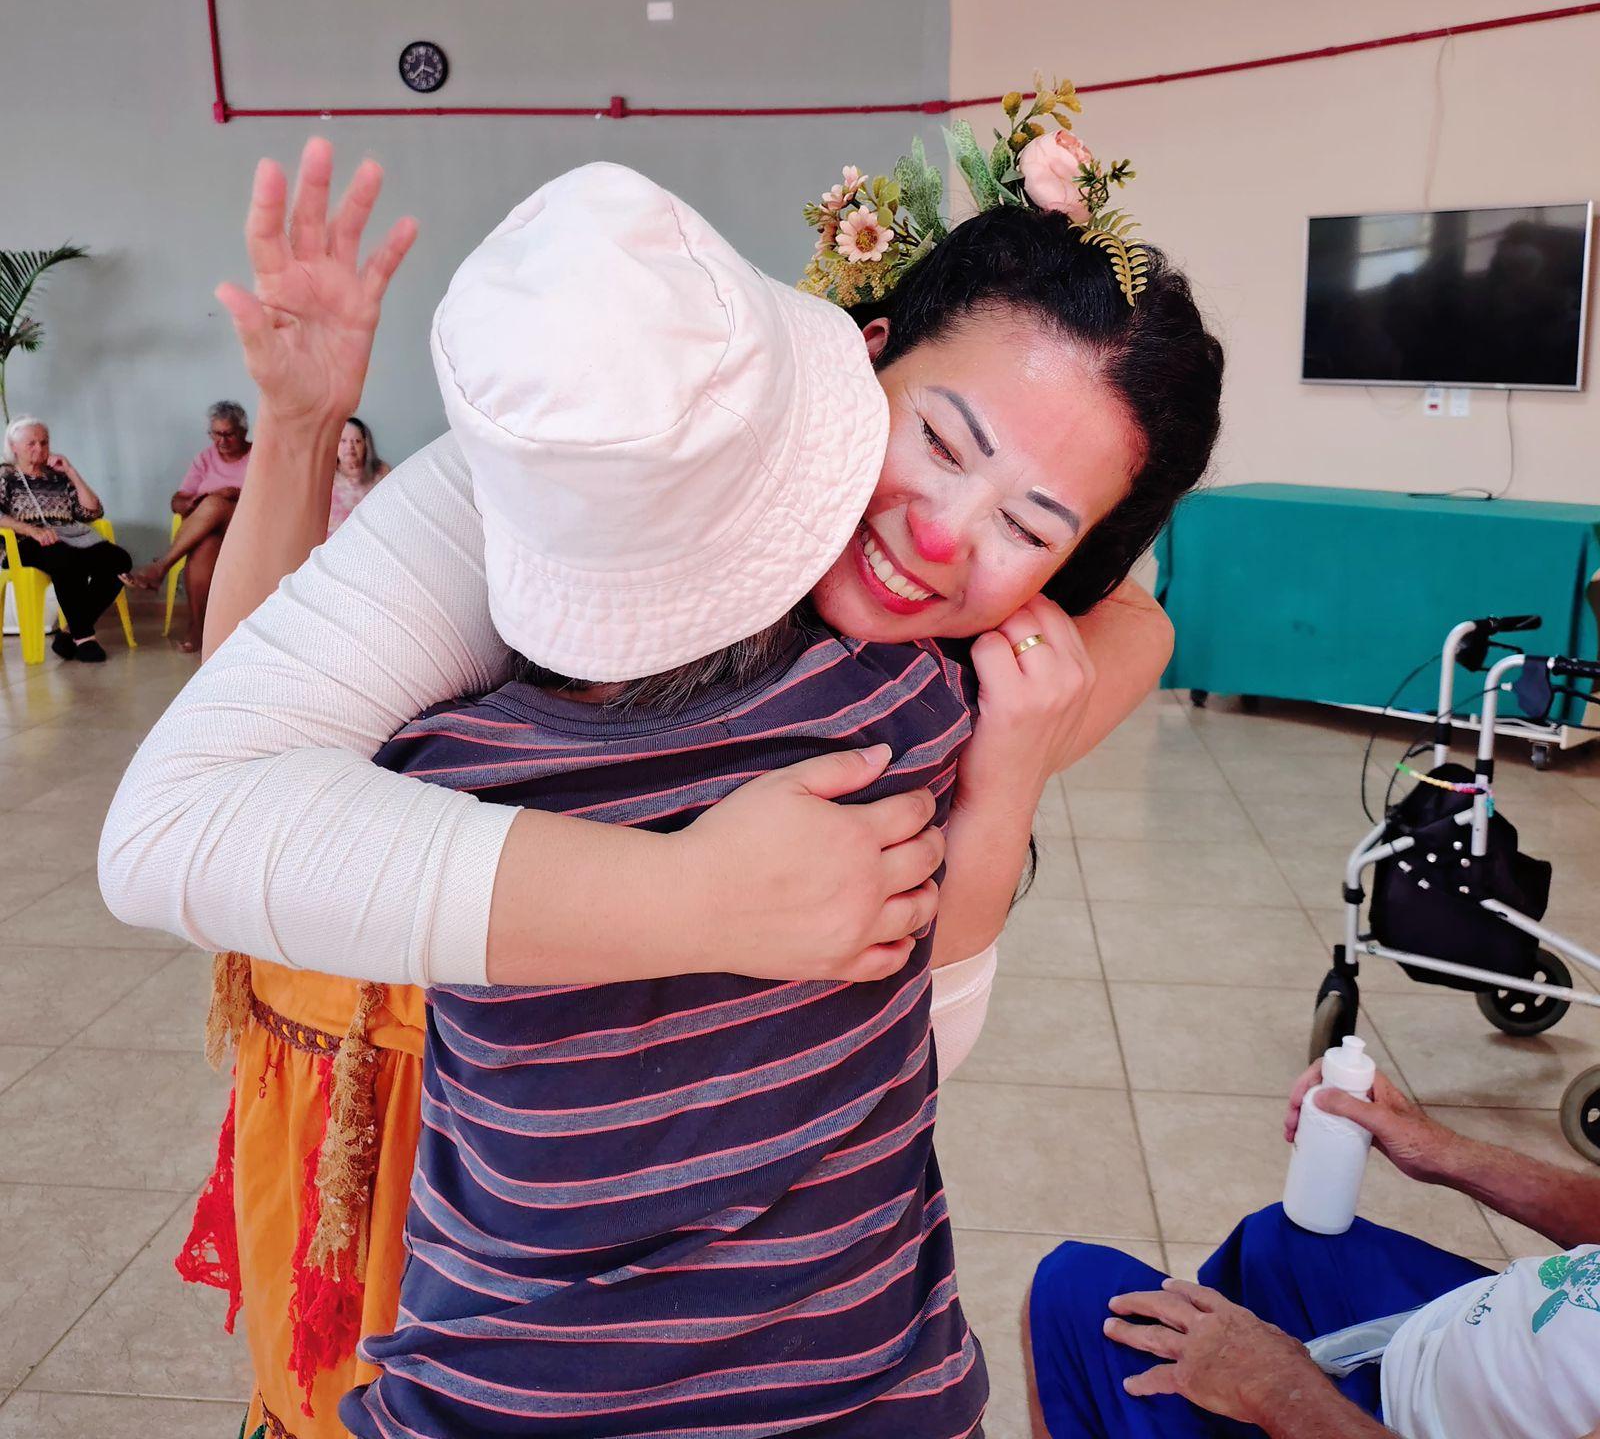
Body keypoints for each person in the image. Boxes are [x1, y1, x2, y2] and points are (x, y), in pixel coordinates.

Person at [101, 123, 1223, 1433]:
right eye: (942, 442)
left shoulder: (924, 682)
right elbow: (231, 749)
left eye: (1031, 524)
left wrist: (1010, 760)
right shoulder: (575, 471)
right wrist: (693, 889)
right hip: (427, 1118)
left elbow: (1128, 635)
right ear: (866, 358)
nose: (937, 535)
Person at [1028, 1058, 1600, 1439]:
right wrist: (1441, 1151)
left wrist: (1280, 1392)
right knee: (1275, 1239)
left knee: (1075, 1291)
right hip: (1465, 1332)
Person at [123, 398, 253, 650]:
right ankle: (197, 626)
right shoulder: (205, 458)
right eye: (216, 435)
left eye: (229, 434)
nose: (221, 442)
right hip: (208, 531)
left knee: (216, 504)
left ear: (244, 432)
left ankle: (160, 568)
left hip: (245, 527)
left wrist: (231, 494)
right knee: (204, 545)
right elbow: (178, 499)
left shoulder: (258, 456)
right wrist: (194, 503)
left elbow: (268, 497)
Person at [0, 415, 131, 661]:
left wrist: (70, 471)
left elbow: (93, 511)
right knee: (64, 558)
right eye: (31, 443)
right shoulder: (5, 476)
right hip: (23, 544)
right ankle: (84, 638)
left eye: (44, 442)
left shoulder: (58, 476)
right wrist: (31, 530)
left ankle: (69, 632)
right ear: (13, 447)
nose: (39, 448)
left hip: (69, 539)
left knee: (119, 561)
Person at [328, 415, 388, 531]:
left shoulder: (381, 472)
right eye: (343, 441)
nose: (350, 447)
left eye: (357, 441)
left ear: (366, 445)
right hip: (333, 543)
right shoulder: (325, 476)